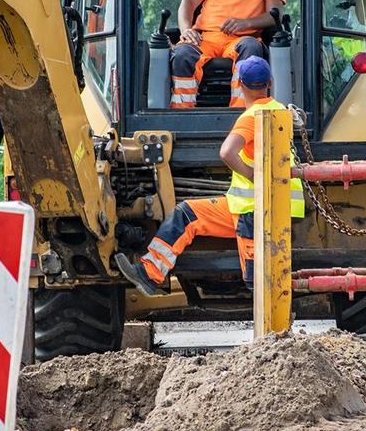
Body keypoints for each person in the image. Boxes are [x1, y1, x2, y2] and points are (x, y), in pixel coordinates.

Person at [116, 56, 305, 296]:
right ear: (269, 82)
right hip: (278, 205)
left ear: (240, 85)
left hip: (252, 209)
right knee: (189, 216)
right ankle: (149, 272)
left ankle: (150, 274)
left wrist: (254, 178)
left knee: (261, 285)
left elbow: (227, 152)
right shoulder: (280, 109)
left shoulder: (252, 116)